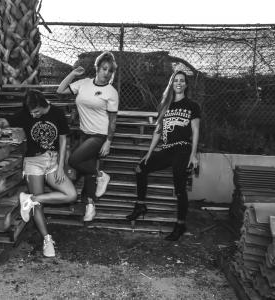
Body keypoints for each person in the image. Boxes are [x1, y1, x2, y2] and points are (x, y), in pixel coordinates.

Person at [0, 89, 77, 258]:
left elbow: (64, 140)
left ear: (43, 105)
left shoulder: (56, 113)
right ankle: (47, 239)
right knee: (38, 207)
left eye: (36, 112)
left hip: (53, 161)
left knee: (71, 195)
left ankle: (31, 199)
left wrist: (62, 166)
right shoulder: (27, 113)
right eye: (31, 112)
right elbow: (7, 120)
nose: (33, 115)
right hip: (33, 162)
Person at [126, 70, 200, 241]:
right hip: (167, 149)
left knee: (179, 186)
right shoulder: (165, 105)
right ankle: (141, 205)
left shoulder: (192, 106)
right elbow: (158, 131)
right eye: (176, 81)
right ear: (172, 84)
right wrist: (149, 154)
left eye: (182, 81)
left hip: (183, 149)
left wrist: (193, 155)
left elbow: (196, 131)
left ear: (186, 85)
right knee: (141, 168)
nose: (179, 83)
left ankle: (180, 225)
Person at [57, 51, 119, 222]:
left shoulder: (111, 92)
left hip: (99, 135)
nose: (106, 73)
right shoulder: (83, 83)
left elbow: (113, 120)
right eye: (104, 69)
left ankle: (101, 175)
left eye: (110, 71)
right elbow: (60, 90)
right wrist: (72, 74)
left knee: (74, 161)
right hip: (84, 133)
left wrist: (108, 141)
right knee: (87, 171)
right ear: (97, 68)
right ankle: (90, 207)